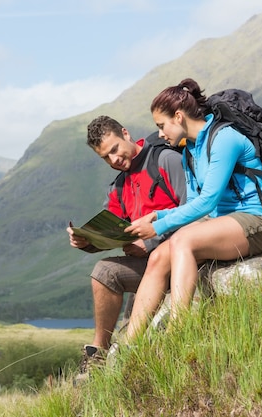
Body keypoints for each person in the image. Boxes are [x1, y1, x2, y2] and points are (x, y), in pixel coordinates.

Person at [124, 78, 262, 340]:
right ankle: (129, 345)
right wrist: (159, 215)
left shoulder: (225, 139)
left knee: (182, 239)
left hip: (254, 221)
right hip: (221, 222)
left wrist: (158, 227)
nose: (160, 134)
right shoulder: (190, 151)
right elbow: (195, 204)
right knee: (159, 257)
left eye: (162, 126)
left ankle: (177, 332)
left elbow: (208, 201)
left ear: (179, 117)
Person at [67, 115, 186, 377]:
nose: (113, 160)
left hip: (182, 259)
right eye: (105, 158)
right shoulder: (119, 186)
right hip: (148, 266)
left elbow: (197, 211)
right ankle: (98, 354)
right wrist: (86, 241)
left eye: (114, 150)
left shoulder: (166, 160)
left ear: (125, 133)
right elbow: (110, 232)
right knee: (103, 272)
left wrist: (152, 240)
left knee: (109, 271)